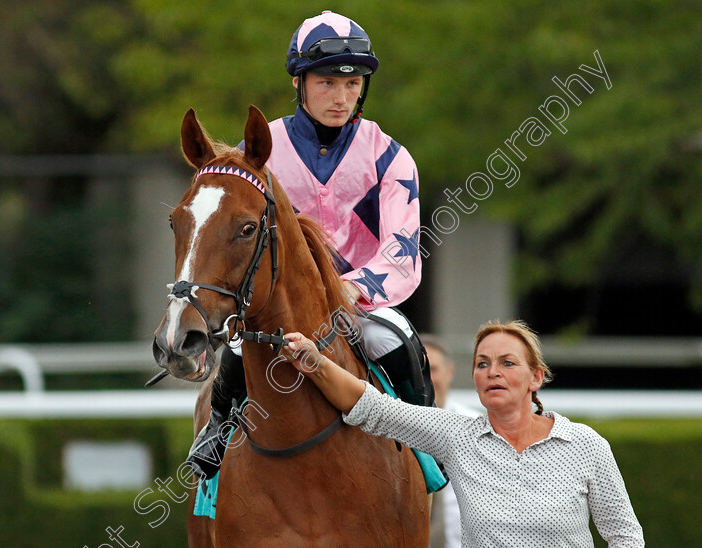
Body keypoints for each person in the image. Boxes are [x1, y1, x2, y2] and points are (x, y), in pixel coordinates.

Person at [188, 10, 433, 478]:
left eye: (352, 83)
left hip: (357, 306)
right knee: (239, 353)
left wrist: (349, 292)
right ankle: (217, 433)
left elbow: (401, 250)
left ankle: (428, 448)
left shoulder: (390, 157)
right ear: (299, 82)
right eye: (326, 82)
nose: (341, 97)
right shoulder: (257, 152)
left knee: (396, 338)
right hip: (274, 307)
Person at [280, 320, 645, 547]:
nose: (492, 372)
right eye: (482, 364)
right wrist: (314, 361)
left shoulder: (585, 444)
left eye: (507, 363)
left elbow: (625, 536)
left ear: (536, 377)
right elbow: (373, 408)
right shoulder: (456, 434)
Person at [420, 335, 481, 548]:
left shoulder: (477, 428)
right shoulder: (388, 432)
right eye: (418, 369)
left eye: (433, 369)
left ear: (450, 371)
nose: (426, 377)